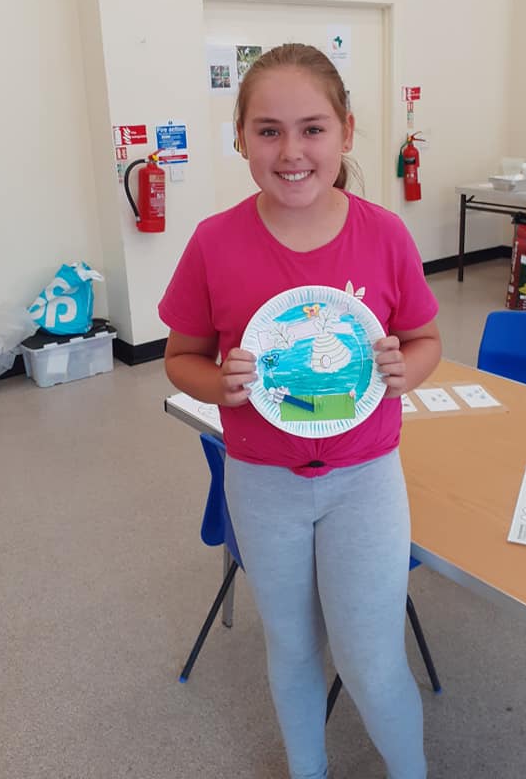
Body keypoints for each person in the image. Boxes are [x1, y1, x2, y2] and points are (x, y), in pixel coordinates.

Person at [159, 43, 441, 779]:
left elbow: (426, 338)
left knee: (372, 660)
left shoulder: (384, 233)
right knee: (289, 646)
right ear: (241, 139)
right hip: (264, 481)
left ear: (346, 133)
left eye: (313, 128)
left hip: (365, 477)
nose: (292, 151)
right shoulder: (214, 243)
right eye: (269, 130)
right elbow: (180, 354)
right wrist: (215, 384)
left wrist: (405, 370)